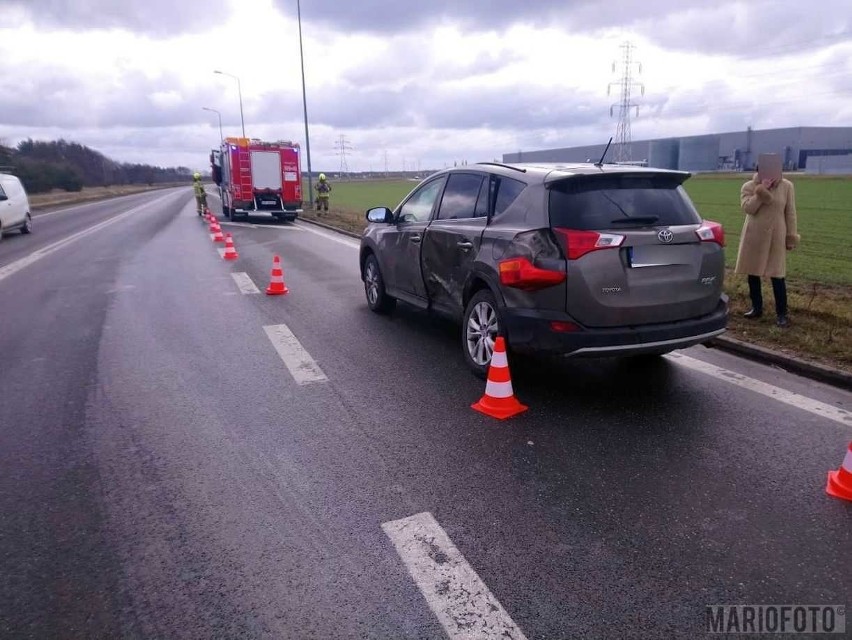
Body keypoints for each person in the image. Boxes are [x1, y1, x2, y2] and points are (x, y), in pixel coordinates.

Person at [735, 168, 800, 327]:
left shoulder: (786, 186)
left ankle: (782, 314)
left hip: (776, 236)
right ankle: (756, 308)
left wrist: (791, 237)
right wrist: (761, 190)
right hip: (754, 235)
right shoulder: (749, 186)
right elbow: (748, 208)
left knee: (777, 275)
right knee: (753, 273)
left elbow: (790, 213)